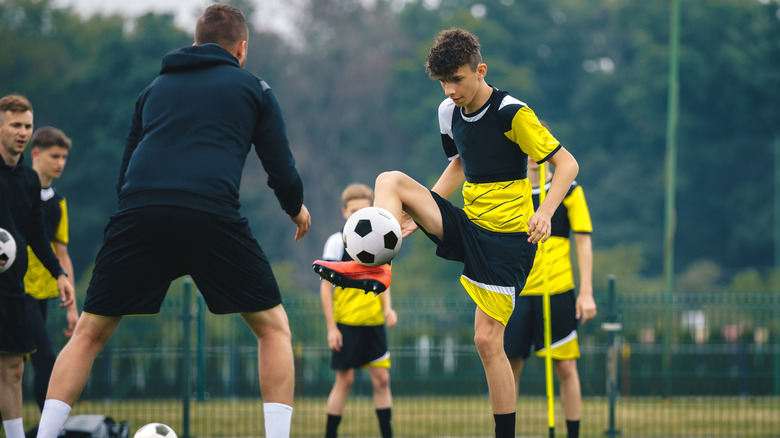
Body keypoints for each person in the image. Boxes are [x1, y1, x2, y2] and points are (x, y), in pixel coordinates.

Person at [34, 4, 310, 438]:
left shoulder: (155, 88)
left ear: (196, 42)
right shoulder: (253, 87)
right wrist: (295, 208)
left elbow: (126, 169)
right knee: (273, 329)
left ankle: (44, 435)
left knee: (87, 333)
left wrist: (135, 217)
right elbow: (280, 165)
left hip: (139, 212)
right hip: (209, 211)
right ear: (242, 48)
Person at [314, 28, 580, 437]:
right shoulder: (447, 111)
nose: (449, 90)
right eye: (442, 82)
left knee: (488, 341)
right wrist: (420, 214)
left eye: (456, 79)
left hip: (507, 243)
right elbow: (458, 164)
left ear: (480, 70)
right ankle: (375, 267)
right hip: (468, 224)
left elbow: (567, 165)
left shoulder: (512, 112)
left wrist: (545, 210)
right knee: (391, 180)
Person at [504, 139, 597, 438]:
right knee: (509, 366)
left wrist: (586, 292)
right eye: (526, 148)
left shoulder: (569, 191)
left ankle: (573, 433)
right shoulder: (509, 193)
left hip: (557, 291)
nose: (532, 156)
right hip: (516, 293)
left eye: (538, 149)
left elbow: (583, 241)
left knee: (566, 368)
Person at [0, 95, 75, 438]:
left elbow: (37, 236)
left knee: (14, 368)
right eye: (15, 124)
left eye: (27, 125)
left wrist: (59, 273)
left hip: (15, 286)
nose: (23, 132)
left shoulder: (28, 181)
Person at [319, 183, 397, 438]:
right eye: (353, 211)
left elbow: (383, 280)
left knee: (381, 381)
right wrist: (331, 328)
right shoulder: (335, 242)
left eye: (364, 210)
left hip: (373, 323)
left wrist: (388, 308)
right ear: (344, 211)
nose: (358, 215)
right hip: (346, 324)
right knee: (345, 381)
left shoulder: (379, 240)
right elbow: (325, 289)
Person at [24, 127, 79, 415]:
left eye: (64, 157)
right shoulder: (17, 189)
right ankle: (49, 429)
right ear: (36, 154)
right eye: (54, 156)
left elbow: (62, 252)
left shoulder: (59, 202)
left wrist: (73, 307)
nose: (60, 162)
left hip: (44, 291)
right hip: (16, 289)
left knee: (19, 362)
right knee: (43, 357)